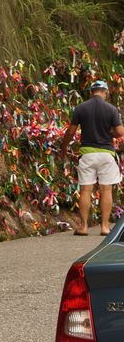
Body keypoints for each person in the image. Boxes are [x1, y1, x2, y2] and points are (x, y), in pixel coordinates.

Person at [60, 80, 124, 236]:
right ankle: (104, 227)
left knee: (86, 190)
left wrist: (64, 146)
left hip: (87, 154)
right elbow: (120, 132)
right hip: (106, 154)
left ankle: (83, 227)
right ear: (105, 92)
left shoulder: (81, 108)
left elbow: (70, 131)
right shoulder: (111, 109)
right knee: (106, 189)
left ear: (91, 92)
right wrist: (111, 134)